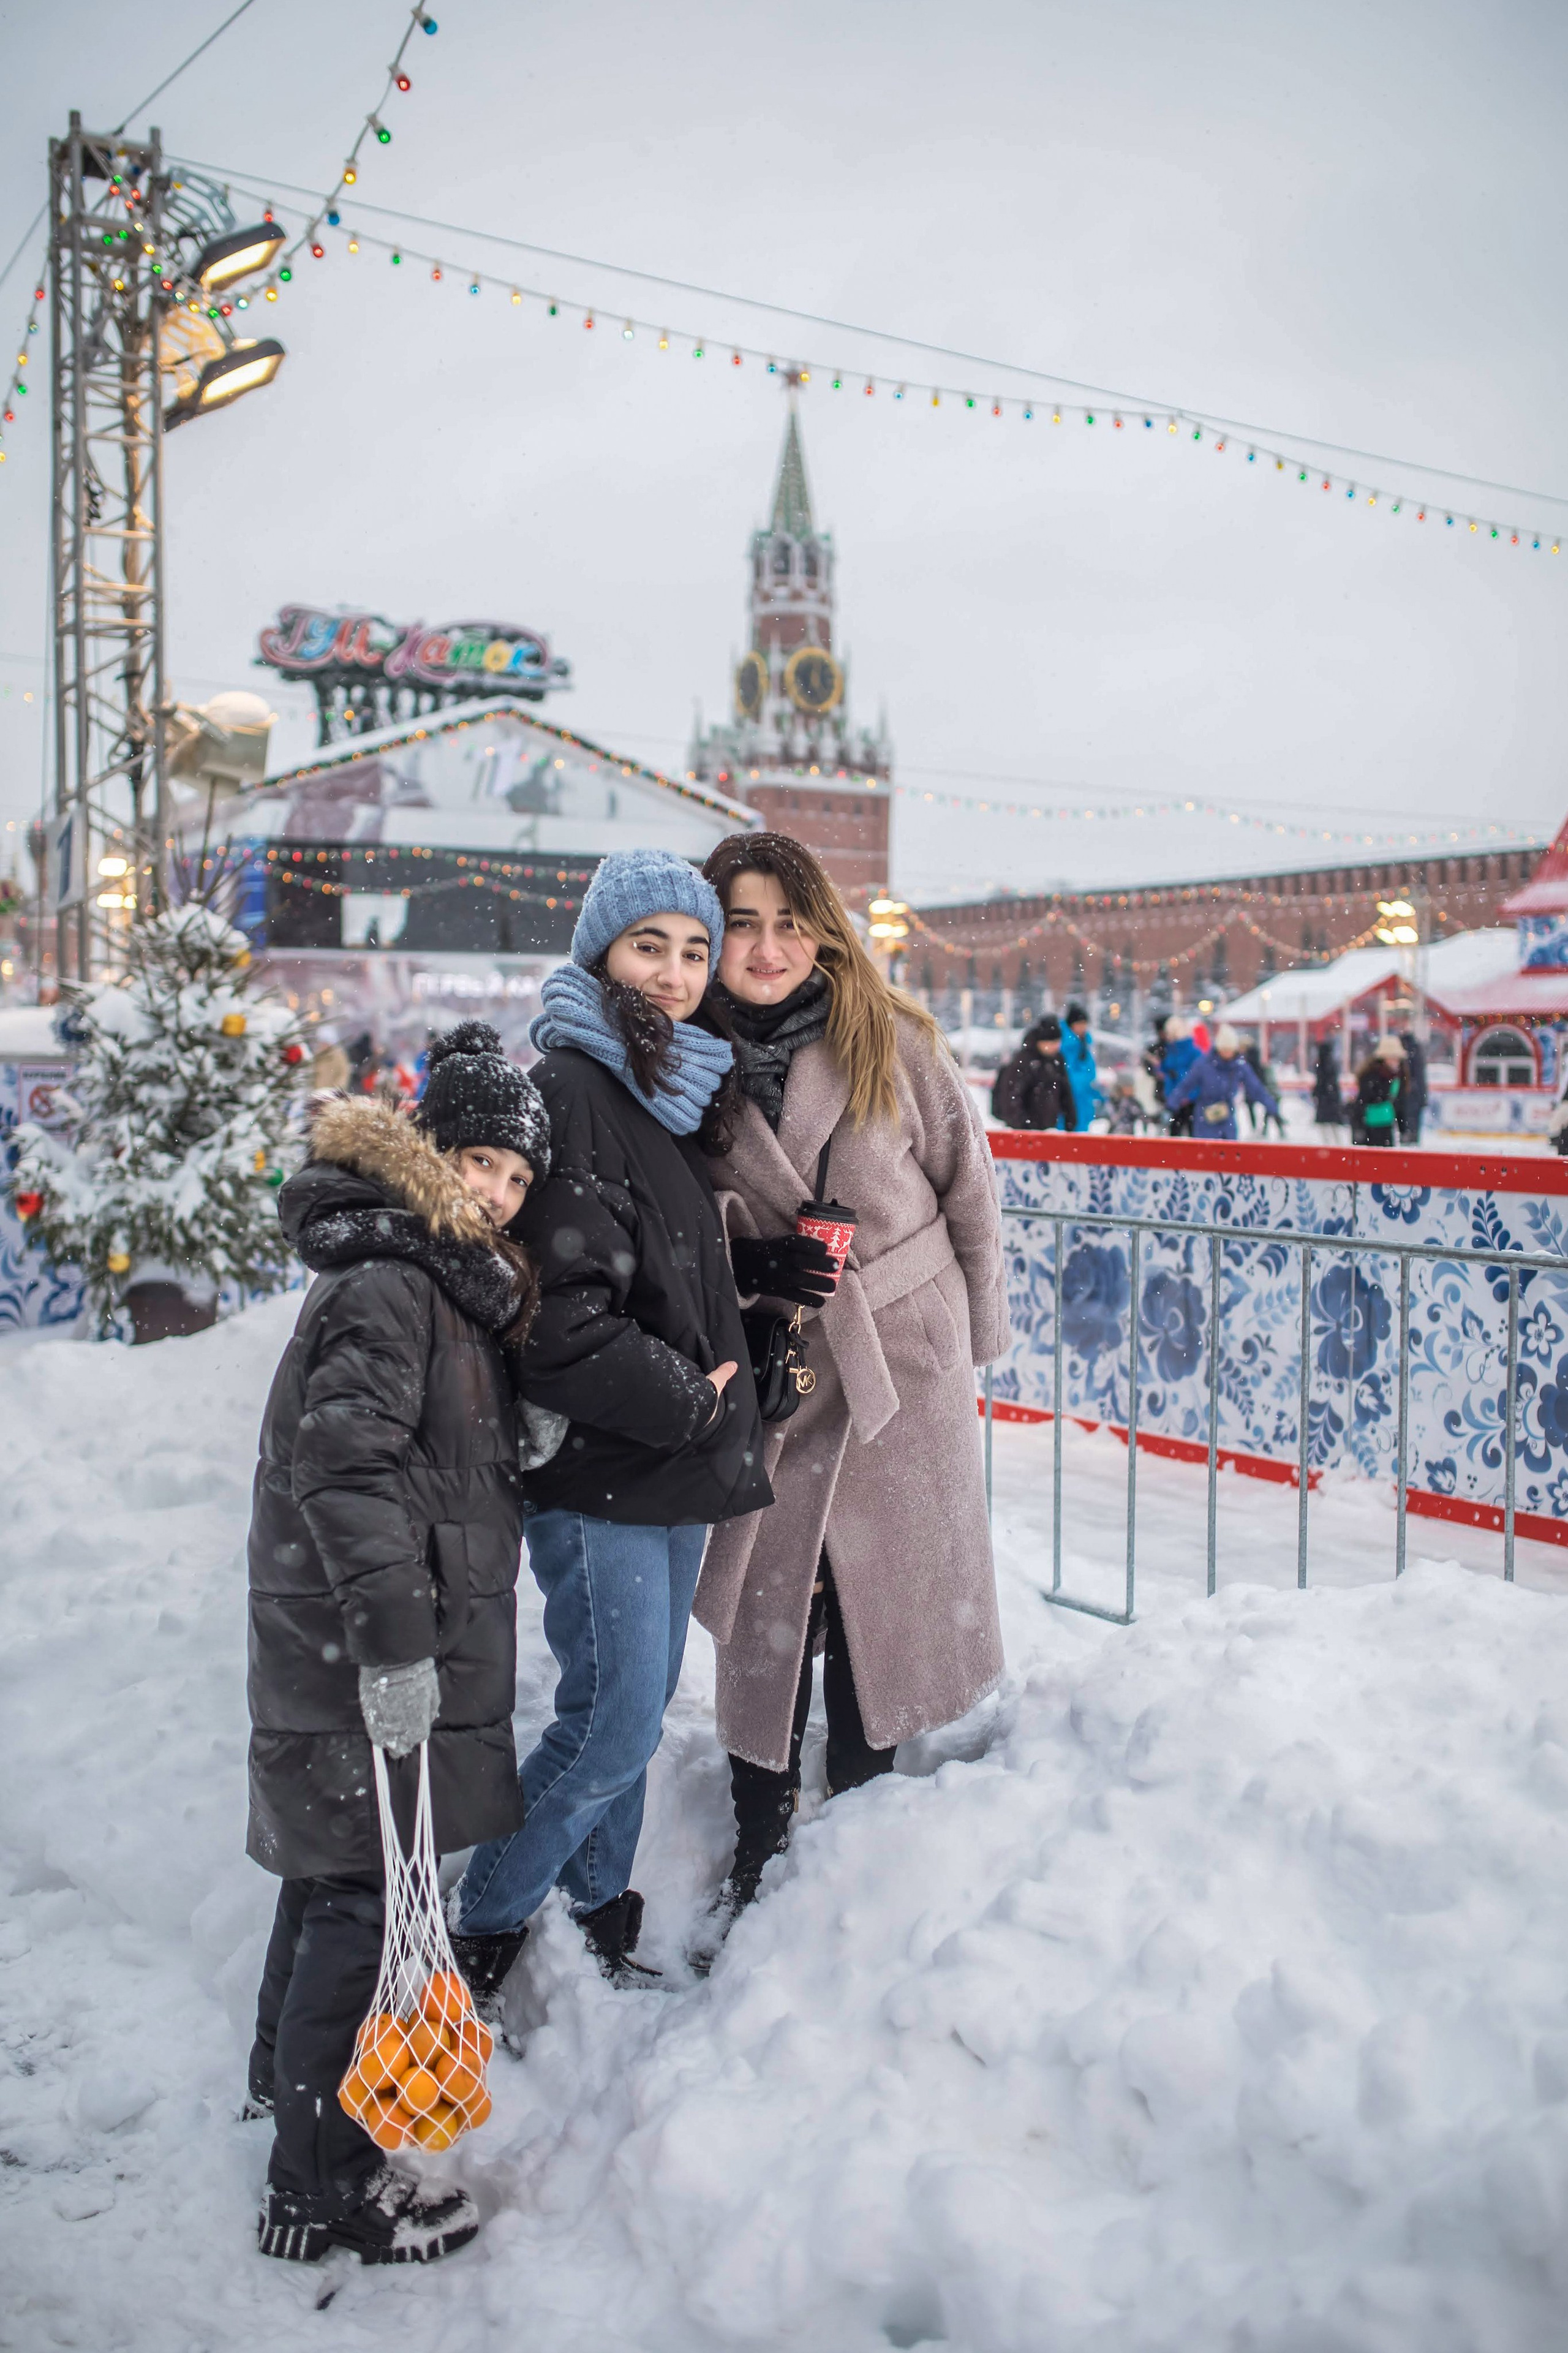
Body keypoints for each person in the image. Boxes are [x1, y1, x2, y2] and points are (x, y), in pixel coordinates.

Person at [245, 1024, 550, 2267]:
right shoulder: (395, 1280)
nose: (496, 1191)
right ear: (430, 1154)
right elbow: (344, 1461)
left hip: (353, 1645)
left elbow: (412, 1452)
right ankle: (327, 2187)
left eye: (517, 1178)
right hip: (364, 1648)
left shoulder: (432, 1279)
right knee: (367, 1901)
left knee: (334, 1878)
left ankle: (285, 2089)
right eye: (478, 1161)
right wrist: (389, 1645)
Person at [450, 849, 772, 1998]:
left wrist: (750, 1277)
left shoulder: (659, 1086)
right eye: (652, 946)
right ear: (600, 954)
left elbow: (649, 1262)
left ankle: (599, 1905)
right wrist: (690, 1396)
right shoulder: (581, 1087)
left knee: (627, 1708)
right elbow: (558, 1321)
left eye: (696, 949)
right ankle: (478, 1926)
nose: (680, 973)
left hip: (666, 1460)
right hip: (607, 1467)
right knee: (617, 1719)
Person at [693, 833, 1009, 1932]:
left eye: (790, 920)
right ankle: (759, 1823)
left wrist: (977, 1330)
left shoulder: (893, 1039)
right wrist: (744, 1263)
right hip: (775, 1360)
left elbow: (970, 1190)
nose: (769, 946)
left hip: (900, 1354)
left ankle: (868, 1816)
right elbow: (673, 1230)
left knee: (882, 1585)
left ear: (824, 926)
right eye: (742, 921)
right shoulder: (686, 1067)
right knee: (774, 1595)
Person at [1165, 1021, 1280, 1140]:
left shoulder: (1239, 1065)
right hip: (1204, 1115)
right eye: (1224, 1050)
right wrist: (1171, 1104)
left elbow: (1255, 1088)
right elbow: (1186, 1085)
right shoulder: (1203, 1064)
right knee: (1206, 1151)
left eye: (1230, 1050)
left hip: (1226, 1115)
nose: (1227, 1054)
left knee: (1228, 1151)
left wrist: (1272, 1107)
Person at [990, 1013, 1074, 1130]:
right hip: (1024, 1131)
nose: (1056, 1047)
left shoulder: (1057, 1059)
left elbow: (1065, 1091)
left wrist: (1071, 1120)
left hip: (1049, 1128)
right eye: (1051, 1043)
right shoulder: (1023, 1061)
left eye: (1057, 1042)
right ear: (1040, 1042)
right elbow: (1011, 1096)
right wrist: (1023, 1126)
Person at [1354, 1034, 1405, 1145]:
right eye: (1392, 1057)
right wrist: (1359, 1129)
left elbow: (1400, 1103)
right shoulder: (1371, 1076)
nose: (1395, 1061)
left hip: (1387, 1124)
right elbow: (1362, 1102)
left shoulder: (1398, 1076)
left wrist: (1403, 1129)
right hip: (1370, 1126)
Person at [1060, 1002, 1098, 1130]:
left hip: (1082, 1099)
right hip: (1069, 1098)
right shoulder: (1066, 1045)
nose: (1083, 1028)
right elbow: (1067, 1074)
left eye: (1085, 1024)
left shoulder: (1084, 1043)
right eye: (1080, 1024)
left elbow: (1090, 1070)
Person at [1161, 1017, 1200, 1137]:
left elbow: (1197, 1077)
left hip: (1189, 1100)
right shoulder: (1172, 1050)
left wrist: (1188, 1095)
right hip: (1176, 1099)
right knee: (1176, 1133)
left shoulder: (1190, 1052)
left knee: (1191, 1133)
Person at [1311, 1038, 1347, 1143]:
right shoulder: (1331, 1064)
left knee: (1326, 1127)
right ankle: (1337, 1147)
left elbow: (1321, 1083)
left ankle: (1329, 1146)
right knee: (1333, 1126)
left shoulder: (1322, 1065)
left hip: (1325, 1100)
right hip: (1331, 1099)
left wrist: (1316, 1093)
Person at [1397, 1029, 1428, 1144]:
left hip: (1410, 1094)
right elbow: (1421, 1075)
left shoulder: (1408, 1050)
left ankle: (1408, 1137)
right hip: (1413, 1094)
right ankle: (1410, 1137)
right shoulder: (1415, 1049)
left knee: (1408, 1123)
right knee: (1411, 1124)